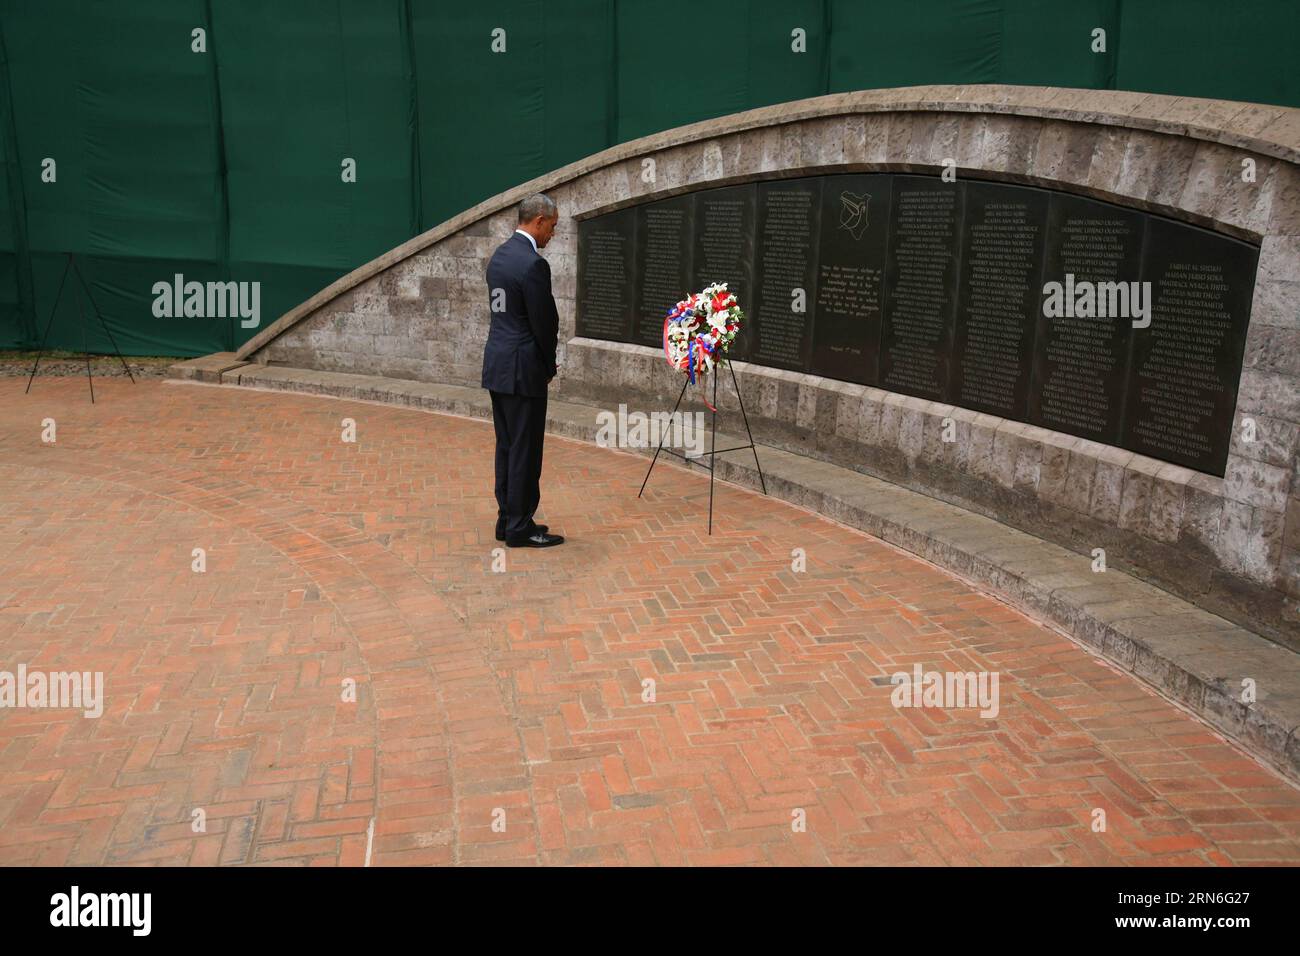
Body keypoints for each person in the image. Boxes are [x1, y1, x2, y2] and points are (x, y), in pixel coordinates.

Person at [481, 193, 565, 548]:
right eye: (553, 227)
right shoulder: (532, 264)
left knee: (508, 446)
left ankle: (507, 519)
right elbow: (543, 323)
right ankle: (519, 526)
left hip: (499, 365)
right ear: (539, 220)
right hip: (523, 370)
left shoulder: (500, 256)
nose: (552, 235)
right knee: (525, 450)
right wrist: (549, 366)